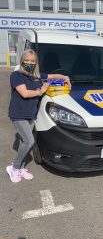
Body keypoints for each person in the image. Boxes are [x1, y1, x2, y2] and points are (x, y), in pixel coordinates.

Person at [7, 49, 71, 183]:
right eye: (27, 60)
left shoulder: (35, 76)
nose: (30, 63)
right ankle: (14, 167)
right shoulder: (16, 76)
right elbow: (24, 93)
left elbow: (52, 76)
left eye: (32, 61)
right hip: (18, 114)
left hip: (31, 114)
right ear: (22, 61)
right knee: (30, 141)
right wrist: (41, 91)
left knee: (24, 142)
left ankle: (20, 167)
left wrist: (65, 77)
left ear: (36, 63)